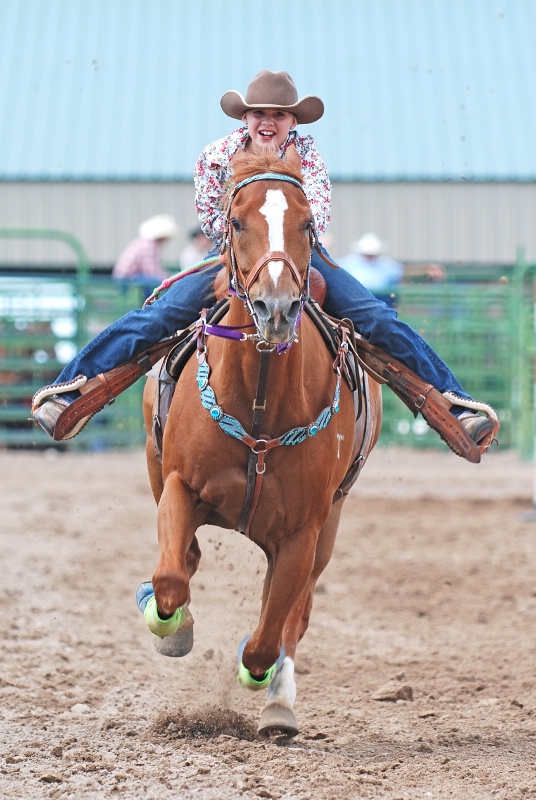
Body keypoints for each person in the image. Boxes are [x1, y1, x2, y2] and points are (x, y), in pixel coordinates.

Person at [32, 70, 495, 451]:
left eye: (278, 114)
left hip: (300, 253)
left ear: (293, 120)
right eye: (259, 113)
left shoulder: (308, 155)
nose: (268, 121)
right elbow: (214, 219)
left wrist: (285, 252)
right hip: (237, 253)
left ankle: (454, 406)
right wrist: (246, 251)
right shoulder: (217, 156)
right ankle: (72, 390)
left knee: (374, 317)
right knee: (159, 316)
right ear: (246, 117)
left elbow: (316, 215)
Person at [339, 232, 444, 307]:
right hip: (357, 300)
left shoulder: (385, 264)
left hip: (378, 300)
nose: (370, 257)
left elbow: (403, 271)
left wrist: (426, 270)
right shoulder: (348, 263)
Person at [111, 214, 179, 300]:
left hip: (126, 277)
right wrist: (170, 278)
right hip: (127, 279)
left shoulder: (144, 242)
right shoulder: (150, 245)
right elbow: (151, 271)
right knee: (153, 283)